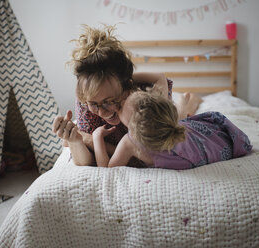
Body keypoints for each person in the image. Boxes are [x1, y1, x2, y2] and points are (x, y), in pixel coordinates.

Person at [52, 24, 202, 166]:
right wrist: (76, 141)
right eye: (94, 103)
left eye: (109, 101)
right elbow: (87, 162)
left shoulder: (143, 97)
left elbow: (153, 149)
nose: (102, 111)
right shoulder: (86, 101)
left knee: (180, 117)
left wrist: (90, 140)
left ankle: (189, 100)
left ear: (127, 90)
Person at [92, 90, 252, 169]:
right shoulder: (163, 122)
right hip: (190, 133)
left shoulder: (130, 141)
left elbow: (106, 171)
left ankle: (186, 100)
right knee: (180, 120)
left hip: (181, 131)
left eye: (120, 109)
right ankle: (186, 100)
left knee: (181, 118)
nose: (117, 108)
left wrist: (96, 138)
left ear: (133, 128)